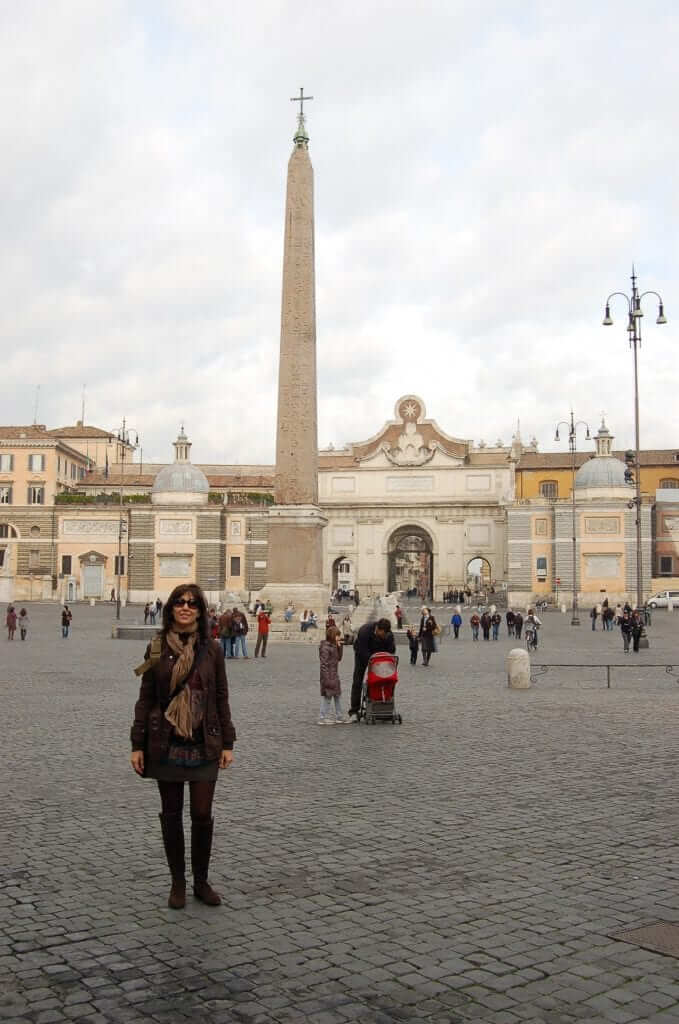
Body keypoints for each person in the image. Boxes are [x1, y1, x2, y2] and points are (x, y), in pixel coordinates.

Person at [130, 583, 236, 909]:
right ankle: (178, 881)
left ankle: (201, 881)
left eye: (192, 603)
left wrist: (228, 741)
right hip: (165, 740)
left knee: (202, 814)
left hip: (204, 740)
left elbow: (221, 695)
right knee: (172, 814)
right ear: (171, 608)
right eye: (179, 602)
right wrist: (137, 743)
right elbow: (146, 696)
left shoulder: (212, 649)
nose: (185, 608)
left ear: (201, 611)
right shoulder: (157, 647)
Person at [349, 618, 395, 720]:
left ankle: (380, 705)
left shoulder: (388, 634)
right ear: (378, 629)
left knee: (382, 679)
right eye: (383, 634)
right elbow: (363, 651)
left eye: (386, 634)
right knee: (357, 680)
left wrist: (388, 644)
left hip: (378, 655)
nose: (385, 636)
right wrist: (372, 664)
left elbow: (391, 650)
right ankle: (354, 711)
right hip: (362, 654)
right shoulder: (364, 631)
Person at [318, 625, 346, 724]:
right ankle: (322, 717)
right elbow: (323, 665)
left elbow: (339, 658)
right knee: (327, 697)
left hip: (334, 675)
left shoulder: (334, 646)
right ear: (332, 636)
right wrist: (326, 679)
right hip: (328, 676)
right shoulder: (325, 648)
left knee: (337, 696)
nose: (339, 637)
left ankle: (339, 716)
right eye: (337, 636)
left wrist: (340, 646)